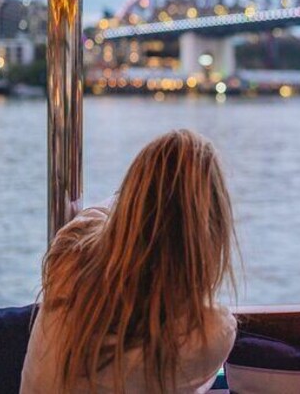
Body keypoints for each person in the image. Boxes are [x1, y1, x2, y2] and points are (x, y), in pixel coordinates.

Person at [21, 129, 240, 393]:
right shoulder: (210, 333)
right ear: (213, 229)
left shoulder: (69, 253)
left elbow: (105, 215)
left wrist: (145, 192)